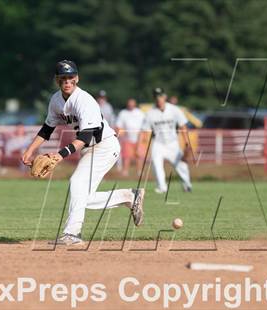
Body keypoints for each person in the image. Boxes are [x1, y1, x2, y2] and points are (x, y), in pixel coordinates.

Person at [21, 60, 144, 245]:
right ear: (57, 80)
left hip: (104, 146)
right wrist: (29, 150)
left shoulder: (84, 101)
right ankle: (129, 196)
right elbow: (47, 129)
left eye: (71, 77)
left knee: (76, 183)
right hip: (90, 150)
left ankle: (72, 234)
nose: (67, 81)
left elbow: (85, 137)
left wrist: (60, 155)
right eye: (63, 78)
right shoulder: (56, 101)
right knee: (82, 197)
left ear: (77, 78)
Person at [138, 87, 192, 194]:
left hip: (173, 143)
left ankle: (187, 185)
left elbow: (183, 126)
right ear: (154, 98)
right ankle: (162, 187)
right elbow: (146, 131)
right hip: (158, 143)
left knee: (181, 165)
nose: (159, 99)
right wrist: (142, 146)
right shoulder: (150, 113)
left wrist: (187, 143)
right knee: (156, 164)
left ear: (165, 97)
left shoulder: (174, 110)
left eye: (161, 96)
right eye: (156, 97)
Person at [116, 98, 145, 176]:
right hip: (127, 138)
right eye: (129, 103)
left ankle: (139, 172)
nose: (131, 105)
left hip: (139, 137)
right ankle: (125, 172)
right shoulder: (123, 113)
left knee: (139, 155)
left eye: (132, 103)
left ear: (135, 104)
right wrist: (121, 133)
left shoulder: (140, 113)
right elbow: (118, 125)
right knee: (126, 156)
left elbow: (144, 126)